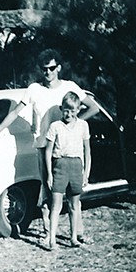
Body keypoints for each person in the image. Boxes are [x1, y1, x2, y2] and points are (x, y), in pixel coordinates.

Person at [0, 49, 99, 236]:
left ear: (59, 68)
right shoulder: (34, 89)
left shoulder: (69, 87)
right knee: (47, 191)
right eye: (44, 69)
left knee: (73, 193)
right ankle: (49, 234)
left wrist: (74, 124)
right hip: (44, 148)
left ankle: (78, 233)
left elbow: (93, 108)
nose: (48, 72)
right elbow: (14, 112)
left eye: (52, 68)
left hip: (68, 150)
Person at [43, 91, 91, 250]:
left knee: (74, 205)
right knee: (56, 205)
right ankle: (52, 240)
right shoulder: (55, 126)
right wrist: (49, 174)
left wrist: (86, 173)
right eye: (66, 110)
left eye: (72, 110)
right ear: (61, 109)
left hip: (76, 166)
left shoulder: (83, 125)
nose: (69, 114)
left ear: (78, 110)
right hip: (60, 165)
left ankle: (73, 237)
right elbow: (48, 151)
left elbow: (87, 151)